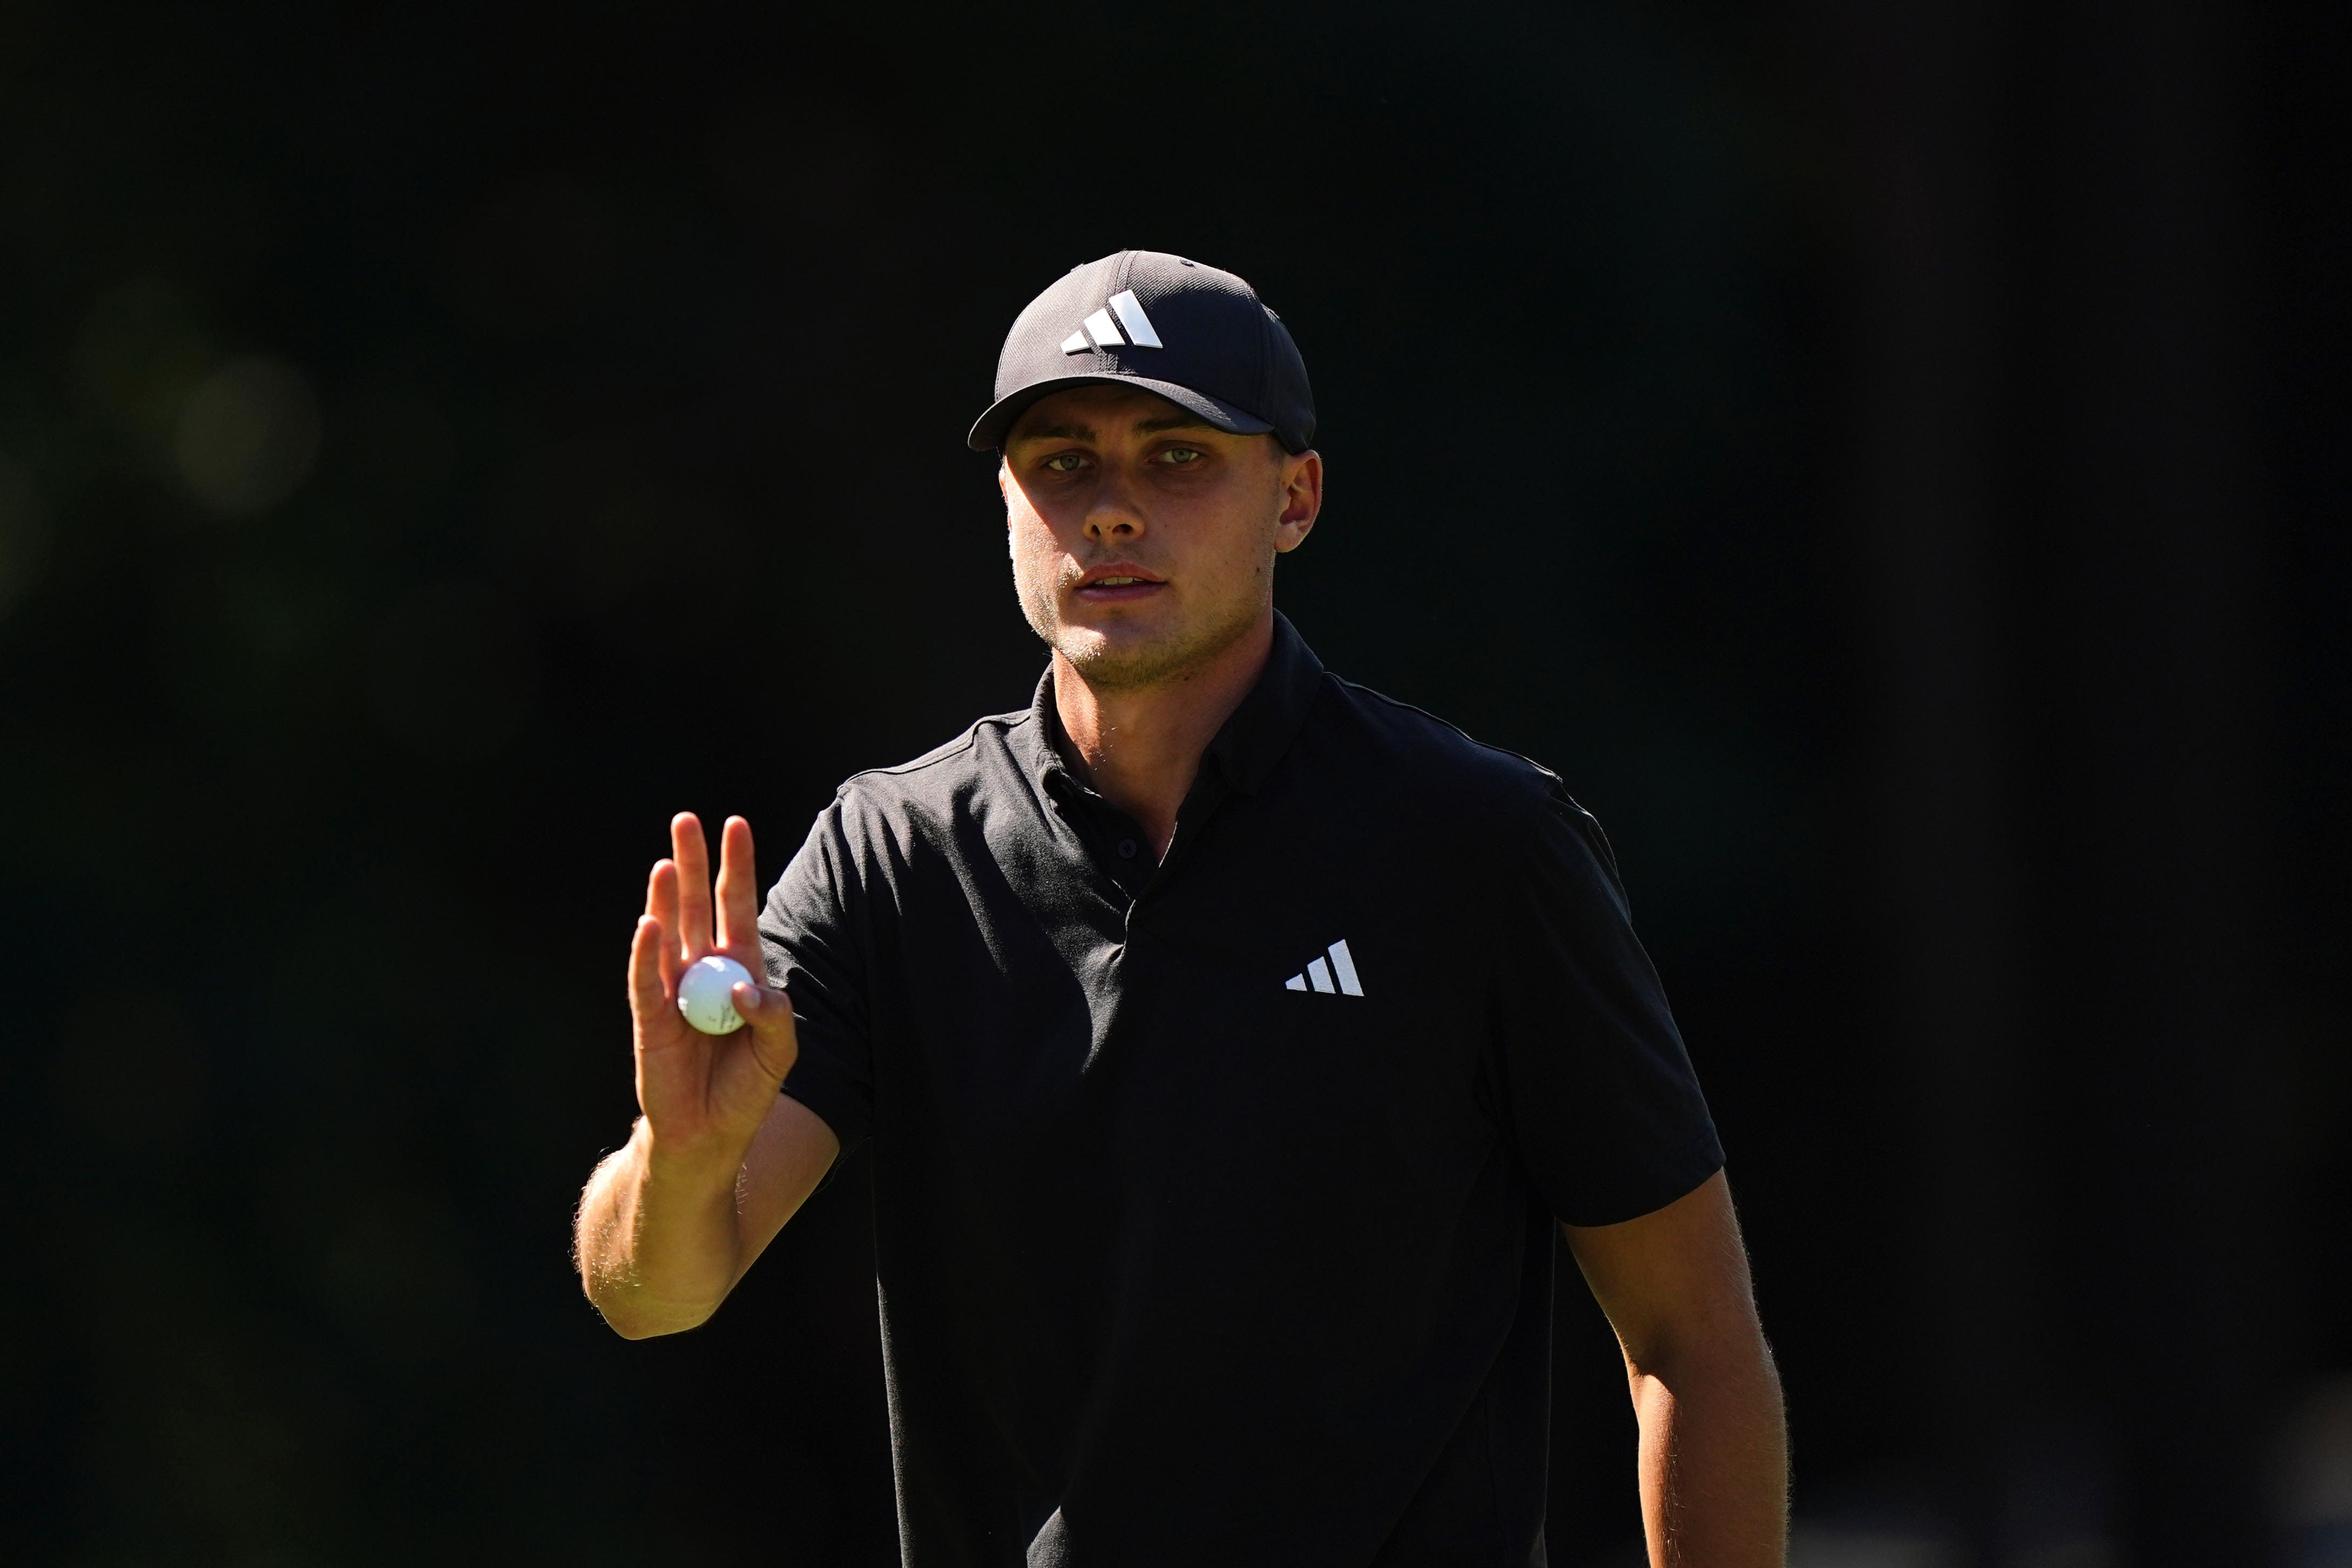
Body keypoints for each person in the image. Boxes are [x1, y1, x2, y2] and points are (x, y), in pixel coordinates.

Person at [573, 251, 1788, 1567]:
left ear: (1296, 496)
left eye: (1178, 458)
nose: (1109, 512)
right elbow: (656, 1295)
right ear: (1006, 501)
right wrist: (678, 1162)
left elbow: (1694, 1340)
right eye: (1062, 462)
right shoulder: (894, 856)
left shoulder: (1481, 847)